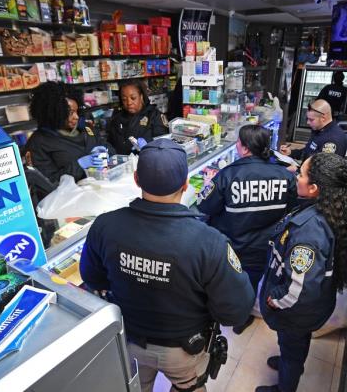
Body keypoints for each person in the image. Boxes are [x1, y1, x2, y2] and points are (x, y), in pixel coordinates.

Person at [80, 139, 255, 392]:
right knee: (188, 387)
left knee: (137, 386)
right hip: (184, 348)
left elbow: (93, 280)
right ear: (185, 185)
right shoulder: (209, 242)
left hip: (126, 338)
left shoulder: (104, 226)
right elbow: (235, 310)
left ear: (137, 180)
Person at [255, 153, 347, 392]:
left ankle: (286, 383)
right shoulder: (330, 207)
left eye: (301, 174)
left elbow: (298, 290)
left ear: (314, 188)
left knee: (292, 346)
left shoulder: (309, 234)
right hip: (310, 310)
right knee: (295, 343)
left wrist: (275, 300)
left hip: (296, 312)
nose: (296, 175)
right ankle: (290, 361)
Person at [197, 124, 298, 334]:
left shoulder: (227, 175)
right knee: (251, 282)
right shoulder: (285, 176)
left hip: (232, 246)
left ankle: (220, 313)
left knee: (226, 280)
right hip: (264, 247)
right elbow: (291, 208)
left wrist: (208, 184)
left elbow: (204, 205)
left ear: (243, 148)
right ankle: (241, 318)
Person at [25, 81, 114, 183]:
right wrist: (79, 165)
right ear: (54, 113)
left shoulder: (86, 128)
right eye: (70, 113)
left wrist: (106, 153)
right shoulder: (38, 142)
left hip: (100, 187)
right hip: (72, 196)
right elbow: (47, 183)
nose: (76, 117)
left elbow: (109, 148)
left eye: (76, 111)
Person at [107, 79, 170, 154]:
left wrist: (149, 148)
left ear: (141, 96)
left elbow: (163, 144)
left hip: (146, 162)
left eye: (133, 98)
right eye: (124, 99)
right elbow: (110, 143)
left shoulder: (154, 115)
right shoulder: (117, 117)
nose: (129, 103)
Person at [280, 99, 347, 165]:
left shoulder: (333, 139)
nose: (308, 122)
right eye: (307, 119)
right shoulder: (318, 130)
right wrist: (291, 152)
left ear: (323, 118)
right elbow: (308, 151)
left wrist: (298, 171)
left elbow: (323, 170)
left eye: (311, 120)